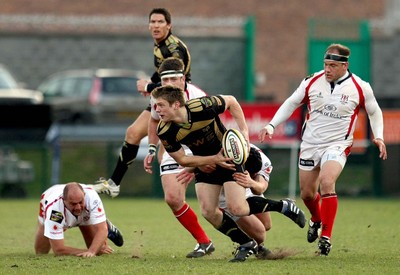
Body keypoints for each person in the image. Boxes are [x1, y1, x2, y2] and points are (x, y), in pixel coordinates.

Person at [258, 43, 388, 256]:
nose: (327, 69)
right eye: (325, 64)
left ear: (344, 66)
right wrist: (271, 125)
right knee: (308, 194)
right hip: (310, 144)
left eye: (332, 66)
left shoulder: (360, 87)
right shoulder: (312, 81)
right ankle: (316, 219)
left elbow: (375, 112)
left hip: (338, 144)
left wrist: (379, 136)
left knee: (327, 183)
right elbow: (291, 103)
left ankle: (325, 238)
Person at [151, 85, 306, 262]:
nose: (157, 110)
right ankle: (246, 243)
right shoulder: (164, 130)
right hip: (209, 163)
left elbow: (231, 101)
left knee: (238, 208)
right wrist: (211, 160)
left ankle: (284, 206)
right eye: (156, 105)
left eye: (161, 105)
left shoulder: (202, 107)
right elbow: (183, 160)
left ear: (176, 104)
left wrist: (244, 131)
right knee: (208, 211)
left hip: (229, 157)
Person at [94, 8, 191, 197]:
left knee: (172, 151)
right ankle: (114, 184)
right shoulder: (159, 45)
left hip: (177, 100)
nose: (156, 25)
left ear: (169, 25)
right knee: (134, 134)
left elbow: (175, 80)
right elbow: (161, 74)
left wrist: (148, 86)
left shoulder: (173, 49)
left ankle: (191, 189)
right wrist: (151, 82)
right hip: (164, 97)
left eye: (160, 22)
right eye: (152, 22)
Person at [143, 57, 215, 258]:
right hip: (173, 148)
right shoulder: (158, 95)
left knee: (225, 206)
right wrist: (151, 148)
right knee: (173, 198)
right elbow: (153, 121)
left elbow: (212, 130)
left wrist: (196, 164)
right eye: (165, 81)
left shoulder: (198, 97)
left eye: (174, 79)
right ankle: (204, 242)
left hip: (203, 147)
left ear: (183, 79)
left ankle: (255, 236)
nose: (169, 85)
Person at [178, 144, 274, 259]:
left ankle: (283, 206)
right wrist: (198, 165)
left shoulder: (263, 160)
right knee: (260, 234)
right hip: (228, 192)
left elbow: (261, 188)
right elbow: (191, 159)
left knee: (267, 225)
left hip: (248, 184)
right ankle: (253, 245)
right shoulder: (224, 150)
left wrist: (252, 182)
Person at [34, 182, 124, 257]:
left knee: (100, 249)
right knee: (41, 252)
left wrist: (92, 251)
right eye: (73, 204)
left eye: (80, 202)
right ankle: (98, 219)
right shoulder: (55, 211)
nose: (78, 207)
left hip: (85, 214)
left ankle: (103, 221)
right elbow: (58, 250)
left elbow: (102, 230)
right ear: (64, 200)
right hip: (53, 202)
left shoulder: (91, 197)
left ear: (84, 196)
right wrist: (87, 251)